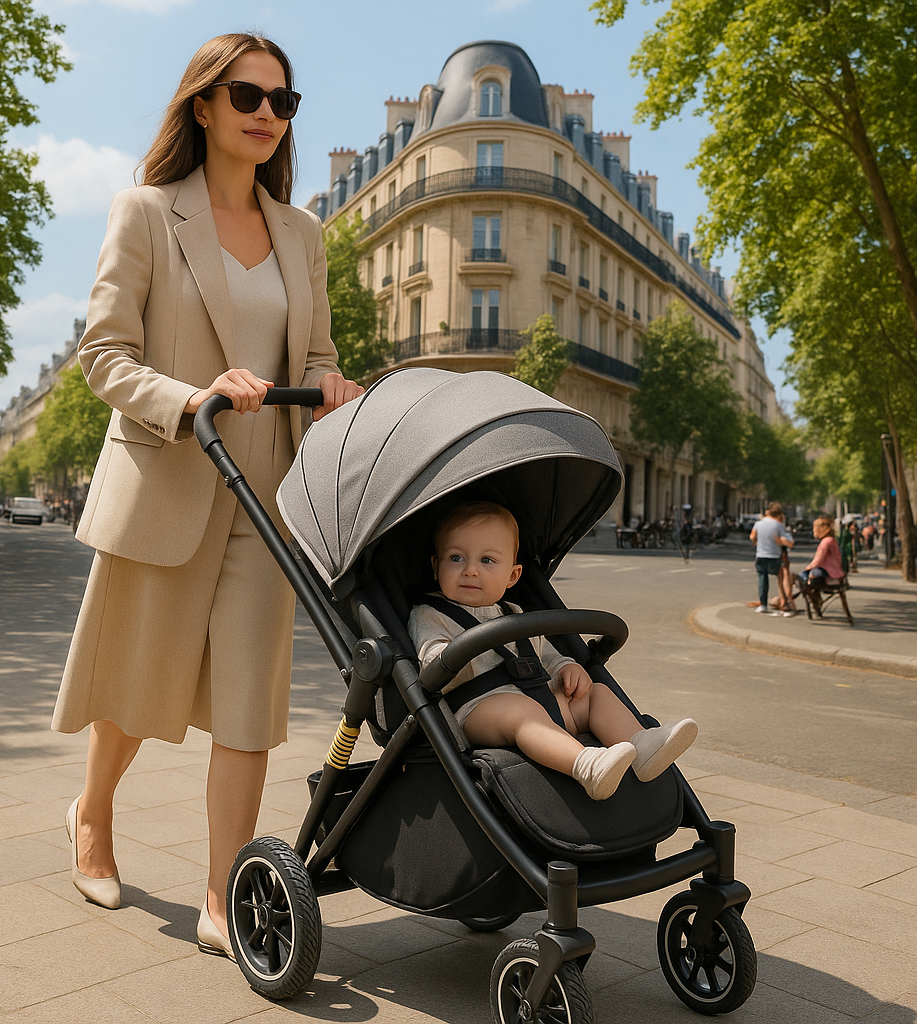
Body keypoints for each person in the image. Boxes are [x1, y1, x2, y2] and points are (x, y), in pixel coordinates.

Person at [50, 33, 364, 959]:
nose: (267, 113)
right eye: (247, 96)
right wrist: (190, 399)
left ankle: (225, 896)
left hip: (271, 495)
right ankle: (92, 814)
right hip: (174, 472)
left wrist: (334, 386)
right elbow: (104, 355)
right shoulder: (146, 212)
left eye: (283, 100)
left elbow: (313, 357)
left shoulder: (301, 231)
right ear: (203, 105)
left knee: (248, 705)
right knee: (137, 685)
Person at [408, 502, 698, 802]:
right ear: (435, 566)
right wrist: (450, 656)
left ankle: (641, 745)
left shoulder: (515, 612)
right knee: (521, 712)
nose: (470, 570)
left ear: (513, 575)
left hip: (542, 699)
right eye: (456, 558)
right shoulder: (429, 614)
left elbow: (543, 654)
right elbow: (432, 663)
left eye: (487, 560)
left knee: (596, 694)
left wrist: (564, 668)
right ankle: (586, 765)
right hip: (479, 710)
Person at [749, 502, 793, 614]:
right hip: (775, 555)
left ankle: (762, 604)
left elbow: (752, 536)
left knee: (762, 579)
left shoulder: (759, 524)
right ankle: (784, 603)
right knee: (781, 578)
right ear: (779, 514)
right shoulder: (778, 525)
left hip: (761, 554)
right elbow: (788, 540)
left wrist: (756, 542)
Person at [798, 515, 845, 585]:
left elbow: (818, 560)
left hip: (829, 571)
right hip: (834, 570)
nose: (813, 530)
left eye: (815, 528)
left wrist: (809, 567)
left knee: (804, 575)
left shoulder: (826, 542)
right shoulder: (831, 540)